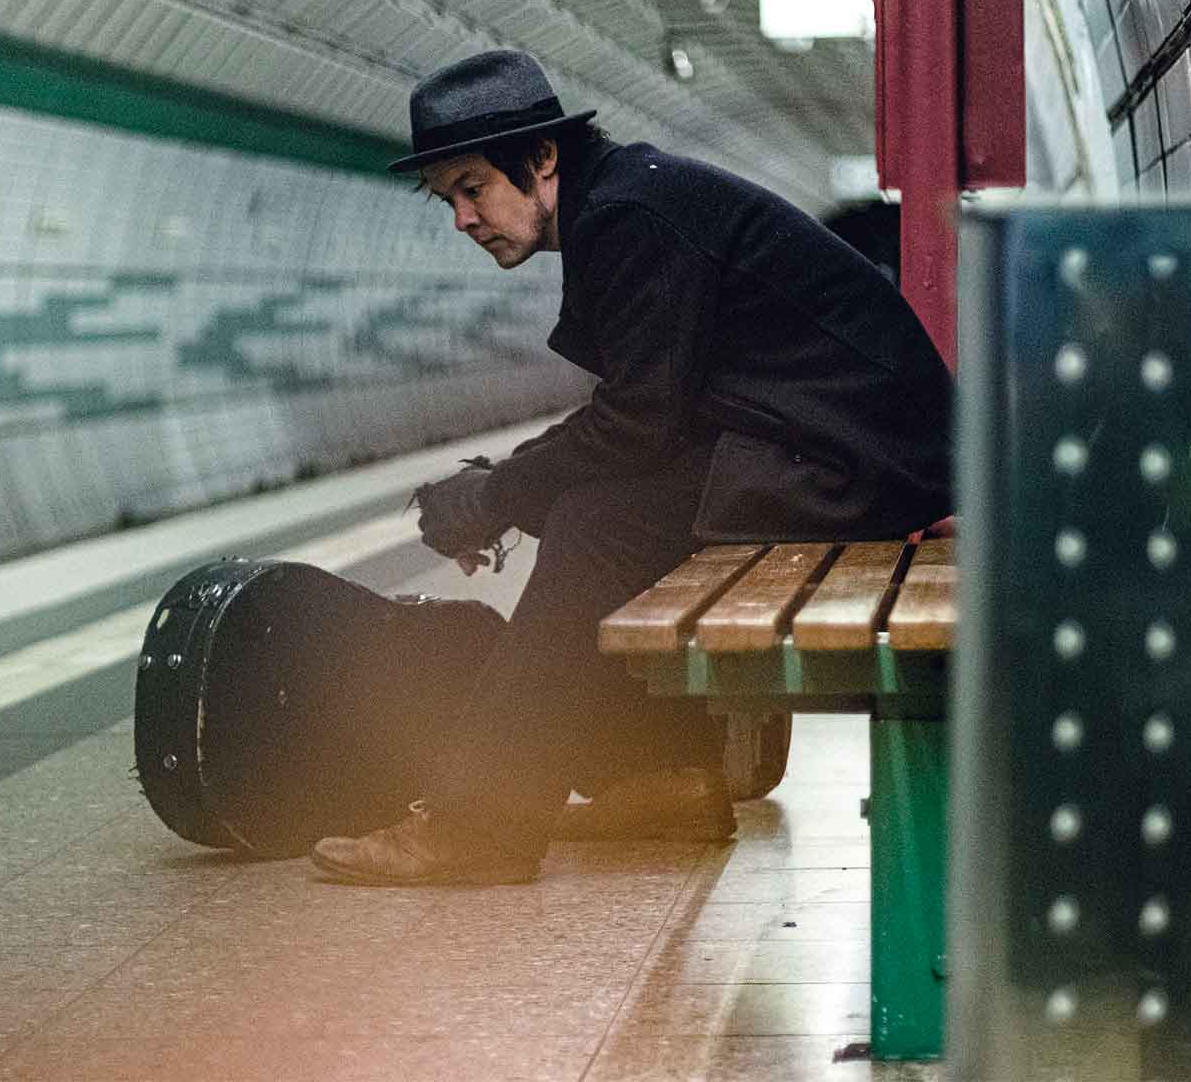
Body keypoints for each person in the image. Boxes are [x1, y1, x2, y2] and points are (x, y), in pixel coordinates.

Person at [309, 50, 954, 886]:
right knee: (598, 511)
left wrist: (493, 495)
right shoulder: (630, 200)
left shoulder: (628, 217)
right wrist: (503, 493)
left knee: (598, 524)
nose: (464, 219)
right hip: (843, 450)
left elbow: (638, 423)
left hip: (855, 464)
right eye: (449, 201)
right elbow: (648, 418)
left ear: (542, 159)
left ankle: (481, 823)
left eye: (473, 189)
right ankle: (660, 782)